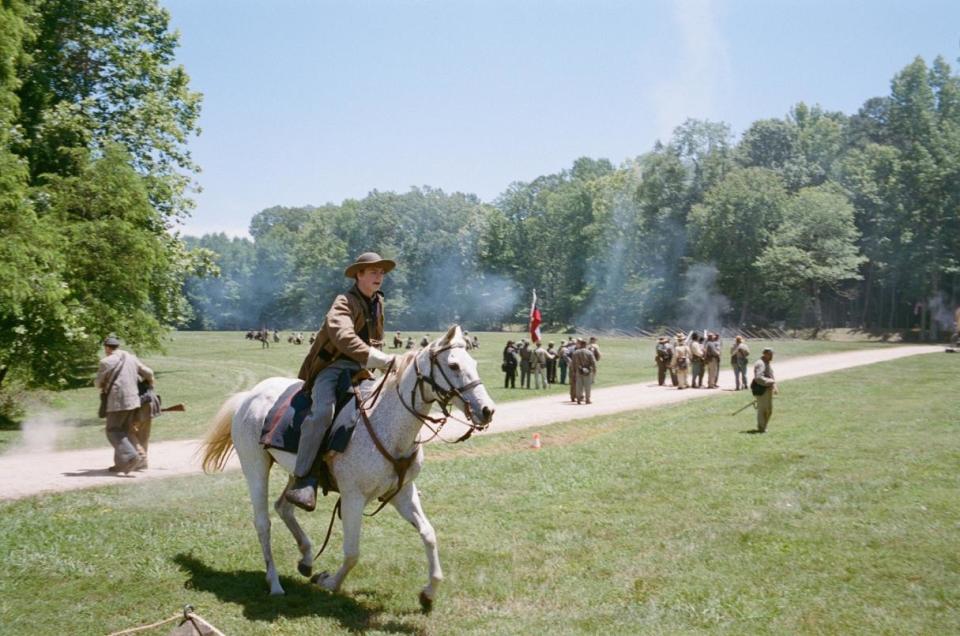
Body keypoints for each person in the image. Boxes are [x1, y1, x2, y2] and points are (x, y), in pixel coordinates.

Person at [286, 252, 398, 511]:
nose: (379, 277)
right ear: (358, 274)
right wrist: (377, 358)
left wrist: (381, 367)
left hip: (362, 369)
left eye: (381, 272)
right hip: (332, 368)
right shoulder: (343, 302)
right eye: (373, 272)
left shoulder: (378, 302)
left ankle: (384, 477)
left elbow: (377, 339)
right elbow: (342, 336)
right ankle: (303, 479)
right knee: (323, 413)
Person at [96, 335, 154, 474]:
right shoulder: (131, 357)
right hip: (133, 401)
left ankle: (132, 457)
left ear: (107, 348)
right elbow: (149, 372)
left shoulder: (106, 362)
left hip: (117, 402)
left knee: (113, 431)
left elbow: (98, 383)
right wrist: (150, 382)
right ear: (117, 346)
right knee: (124, 431)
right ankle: (121, 464)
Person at [753, 347, 777, 433]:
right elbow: (758, 377)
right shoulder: (760, 363)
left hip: (767, 389)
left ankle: (764, 426)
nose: (772, 356)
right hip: (762, 390)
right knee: (763, 409)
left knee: (769, 410)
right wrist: (770, 382)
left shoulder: (767, 362)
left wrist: (774, 386)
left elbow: (770, 374)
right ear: (765, 354)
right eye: (770, 354)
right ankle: (761, 427)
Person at [571, 338, 596, 404]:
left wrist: (573, 372)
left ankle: (579, 399)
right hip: (588, 371)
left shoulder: (575, 353)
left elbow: (572, 363)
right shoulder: (589, 352)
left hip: (578, 371)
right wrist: (594, 371)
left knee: (579, 386)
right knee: (587, 386)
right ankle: (587, 399)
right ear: (585, 345)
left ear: (580, 344)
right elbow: (593, 362)